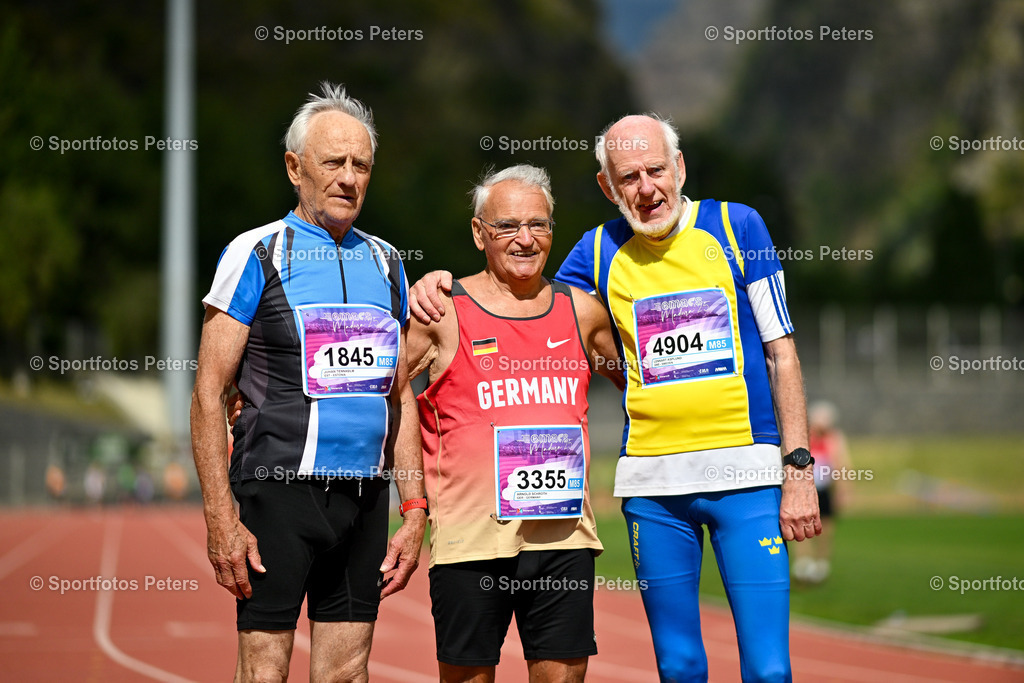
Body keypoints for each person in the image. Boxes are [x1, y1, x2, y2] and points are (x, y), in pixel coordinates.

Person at [410, 114, 819, 682]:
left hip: (745, 476)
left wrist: (798, 466)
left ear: (679, 167)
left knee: (770, 670)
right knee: (677, 666)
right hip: (653, 488)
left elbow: (783, 353)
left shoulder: (737, 227)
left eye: (656, 169)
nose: (647, 187)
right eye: (629, 177)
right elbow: (524, 294)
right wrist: (437, 283)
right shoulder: (597, 251)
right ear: (608, 187)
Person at [190, 82, 426, 683]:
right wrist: (221, 518)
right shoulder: (255, 253)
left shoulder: (388, 262)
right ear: (295, 167)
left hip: (363, 499)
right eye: (333, 162)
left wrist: (415, 507)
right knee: (265, 669)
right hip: (277, 493)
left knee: (348, 673)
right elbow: (210, 392)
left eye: (362, 165)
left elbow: (399, 396)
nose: (349, 178)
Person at [406, 164, 623, 682]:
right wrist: (413, 501)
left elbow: (640, 386)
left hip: (563, 540)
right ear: (480, 234)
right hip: (470, 543)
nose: (525, 239)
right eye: (507, 226)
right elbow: (386, 395)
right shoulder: (442, 311)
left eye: (539, 225)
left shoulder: (583, 312)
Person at [792, 400, 850, 584]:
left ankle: (821, 563)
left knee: (825, 528)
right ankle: (803, 562)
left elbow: (841, 464)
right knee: (801, 525)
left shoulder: (834, 438)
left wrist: (842, 490)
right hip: (805, 488)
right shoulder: (804, 436)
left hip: (824, 489)